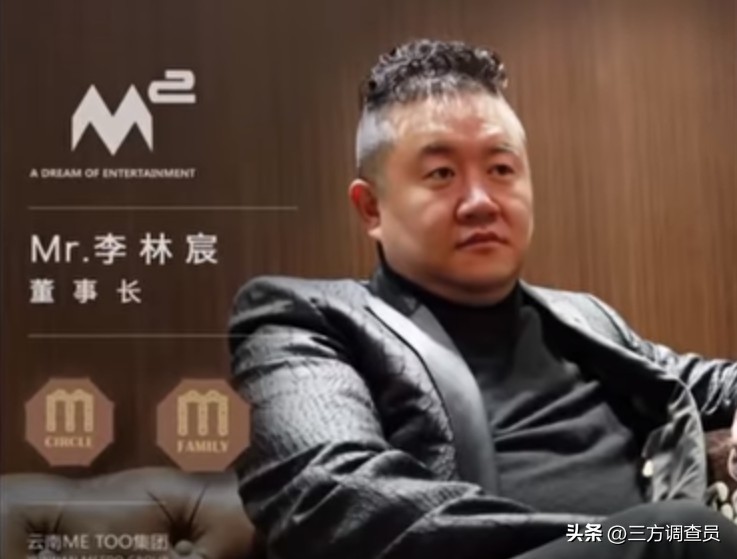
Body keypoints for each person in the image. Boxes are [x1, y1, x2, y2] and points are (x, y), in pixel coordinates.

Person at [228, 39, 737, 559]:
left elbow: (714, 384)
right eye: (442, 174)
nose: (480, 202)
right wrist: (626, 536)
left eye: (501, 169)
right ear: (371, 208)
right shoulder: (302, 321)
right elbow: (331, 499)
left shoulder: (585, 321)